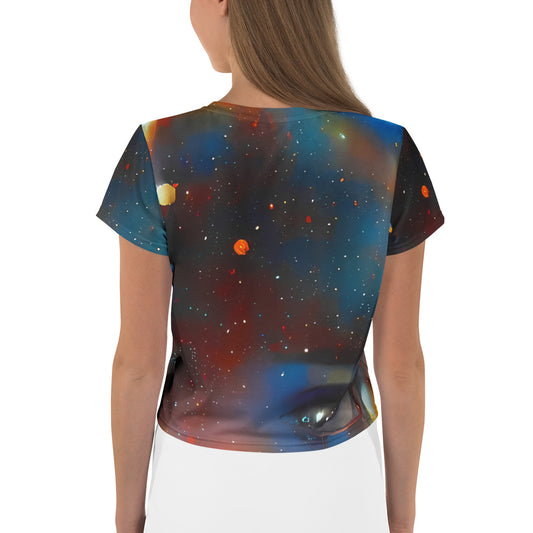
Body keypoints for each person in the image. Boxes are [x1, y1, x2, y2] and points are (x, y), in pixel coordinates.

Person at [95, 1, 445, 532]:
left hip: (196, 483)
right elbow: (401, 366)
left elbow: (137, 366)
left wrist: (127, 518)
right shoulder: (387, 153)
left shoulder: (160, 149)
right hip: (339, 483)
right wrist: (400, 518)